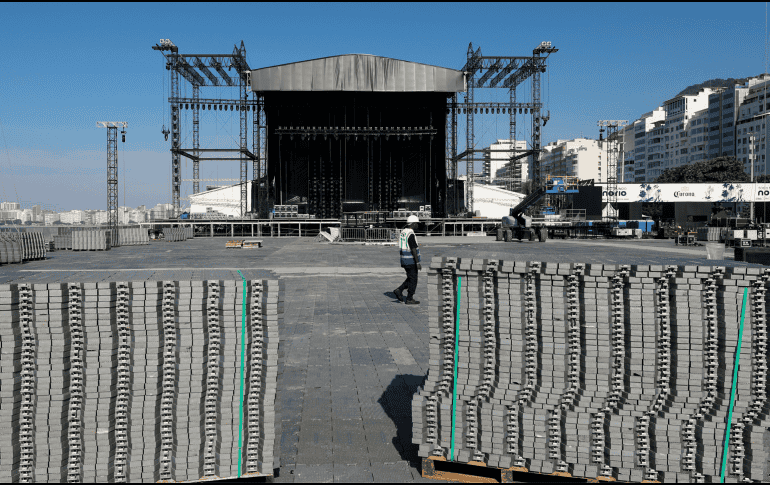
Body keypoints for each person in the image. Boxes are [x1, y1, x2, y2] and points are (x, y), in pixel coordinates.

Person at [394, 215, 421, 305]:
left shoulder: (403, 232)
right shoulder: (411, 234)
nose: (417, 225)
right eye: (417, 223)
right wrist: (417, 262)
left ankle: (399, 290)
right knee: (414, 279)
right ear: (413, 224)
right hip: (411, 260)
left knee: (410, 277)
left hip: (404, 260)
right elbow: (413, 249)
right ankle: (409, 298)